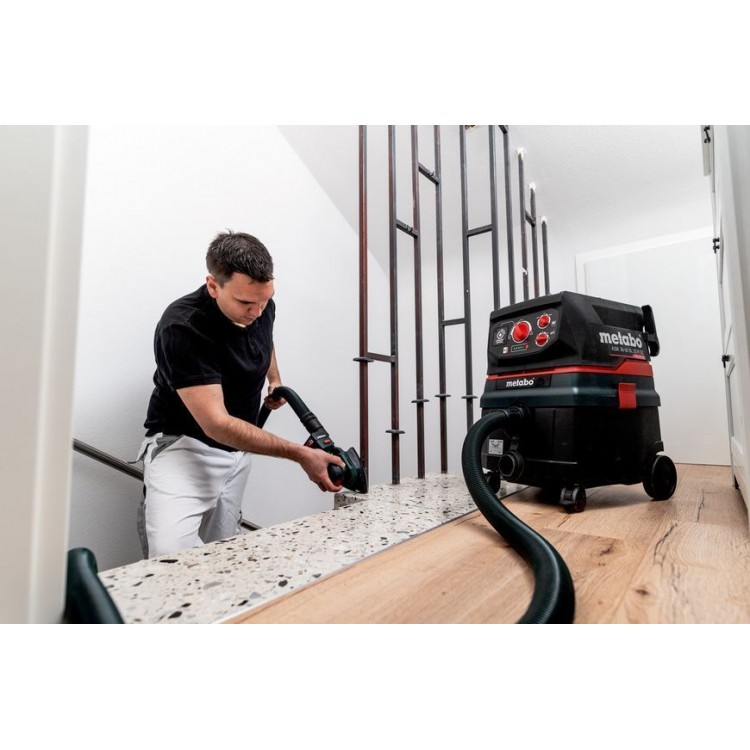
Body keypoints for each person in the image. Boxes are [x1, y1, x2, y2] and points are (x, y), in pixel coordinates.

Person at [137, 231, 343, 558]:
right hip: (185, 449)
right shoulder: (184, 326)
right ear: (213, 285)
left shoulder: (260, 305)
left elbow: (264, 338)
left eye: (265, 300)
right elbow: (217, 424)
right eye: (246, 303)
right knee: (169, 557)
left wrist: (274, 380)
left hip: (237, 454)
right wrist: (302, 454)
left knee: (226, 555)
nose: (257, 312)